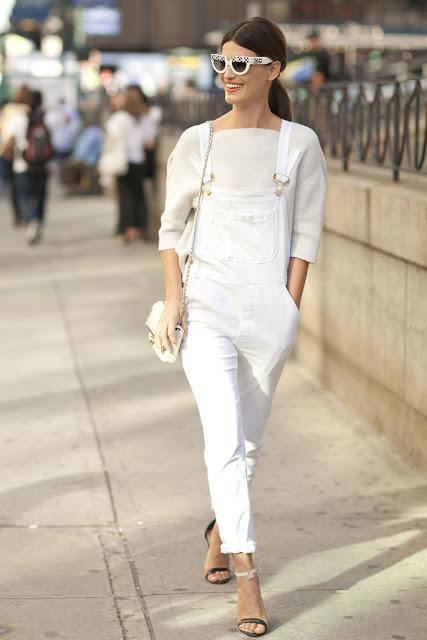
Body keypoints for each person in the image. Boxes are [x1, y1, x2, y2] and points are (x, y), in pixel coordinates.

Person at [156, 16, 327, 637]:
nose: (227, 75)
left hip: (270, 310)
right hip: (207, 307)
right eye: (220, 63)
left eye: (240, 65)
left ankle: (218, 532)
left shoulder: (300, 144)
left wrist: (290, 306)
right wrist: (175, 302)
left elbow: (306, 232)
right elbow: (170, 231)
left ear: (272, 71)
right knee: (224, 439)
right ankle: (249, 577)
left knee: (248, 444)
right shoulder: (196, 142)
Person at [105, 85, 157, 244]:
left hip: (123, 161)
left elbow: (111, 139)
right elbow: (150, 143)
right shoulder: (145, 119)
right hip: (139, 161)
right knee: (139, 196)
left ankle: (124, 229)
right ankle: (141, 228)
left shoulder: (119, 118)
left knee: (124, 196)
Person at [8, 90, 53, 245]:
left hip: (22, 163)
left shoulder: (19, 118)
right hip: (44, 164)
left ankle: (31, 219)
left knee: (25, 195)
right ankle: (38, 219)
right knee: (40, 196)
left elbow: (11, 138)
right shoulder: (47, 117)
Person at [0, 86, 31, 225]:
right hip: (27, 153)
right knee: (24, 184)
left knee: (12, 185)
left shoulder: (8, 109)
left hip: (8, 151)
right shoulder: (29, 110)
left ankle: (18, 214)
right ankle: (26, 213)